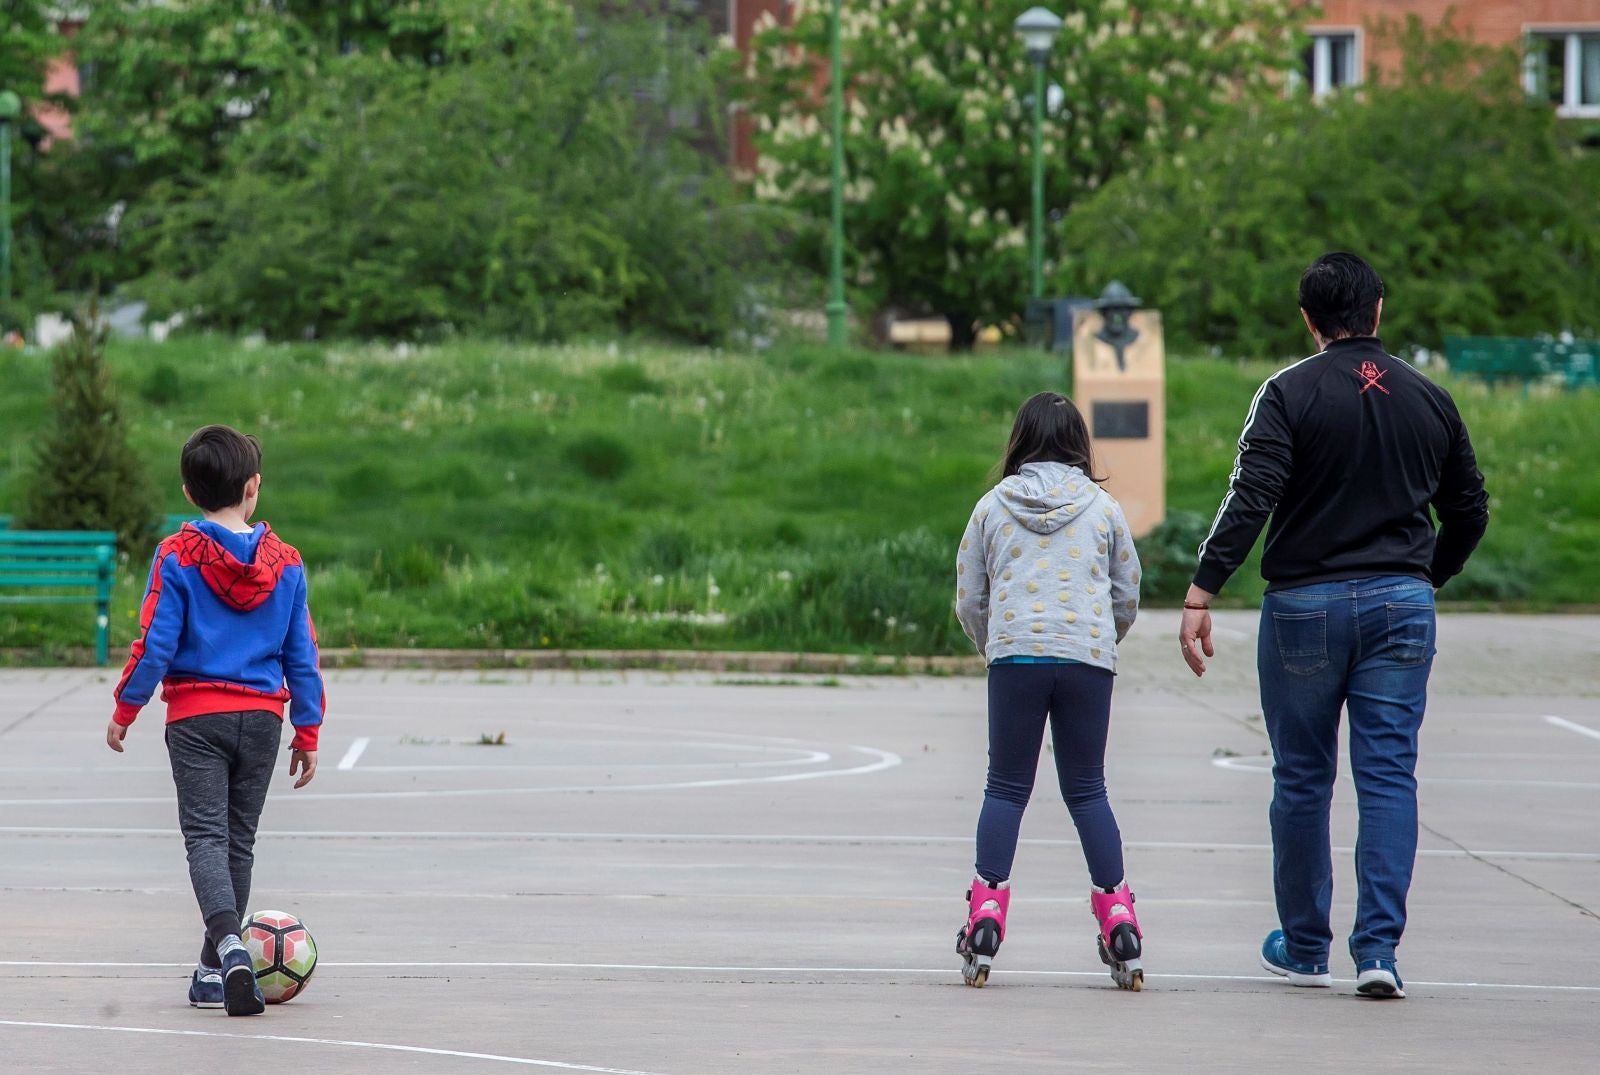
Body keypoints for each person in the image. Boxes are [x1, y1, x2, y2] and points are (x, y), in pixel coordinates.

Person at [1178, 252, 1489, 1000]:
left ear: (1308, 320)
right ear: (1379, 309)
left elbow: (1251, 495)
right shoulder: (1430, 397)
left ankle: (1306, 945)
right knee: (1387, 776)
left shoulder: (1286, 393)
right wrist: (1425, 576)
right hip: (1402, 605)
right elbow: (1471, 509)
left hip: (1303, 608)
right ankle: (1378, 950)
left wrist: (1202, 587)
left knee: (1302, 777)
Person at [106, 425, 327, 1016]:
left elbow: (155, 642)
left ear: (187, 490)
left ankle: (228, 949)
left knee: (205, 837)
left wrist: (126, 708)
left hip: (196, 719)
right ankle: (213, 969)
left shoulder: (177, 555)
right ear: (253, 488)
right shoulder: (287, 564)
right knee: (240, 843)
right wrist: (307, 731)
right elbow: (302, 655)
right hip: (261, 720)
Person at [952, 391, 1145, 990]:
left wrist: (994, 643)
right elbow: (1127, 591)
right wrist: (1099, 640)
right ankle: (1119, 920)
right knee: (1088, 789)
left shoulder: (991, 506)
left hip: (1016, 656)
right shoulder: (1103, 507)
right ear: (1079, 446)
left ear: (1019, 442)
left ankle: (985, 915)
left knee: (1006, 787)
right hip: (1087, 657)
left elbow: (970, 597)